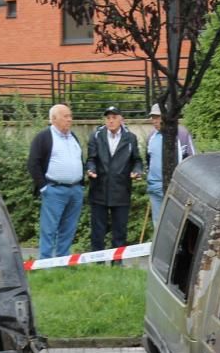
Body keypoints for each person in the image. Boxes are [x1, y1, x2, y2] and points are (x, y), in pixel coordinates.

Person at [86, 106, 143, 259]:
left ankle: (117, 263)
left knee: (120, 231)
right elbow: (91, 159)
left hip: (121, 190)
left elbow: (137, 160)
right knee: (98, 231)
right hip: (99, 189)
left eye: (114, 117)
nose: (110, 121)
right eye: (108, 118)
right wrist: (90, 169)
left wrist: (137, 171)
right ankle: (97, 263)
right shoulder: (97, 136)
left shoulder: (130, 138)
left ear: (121, 119)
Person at [28, 104, 84, 259]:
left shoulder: (73, 137)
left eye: (70, 116)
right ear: (53, 119)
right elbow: (33, 163)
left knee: (69, 228)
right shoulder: (44, 137)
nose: (69, 119)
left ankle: (62, 260)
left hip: (75, 190)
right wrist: (44, 187)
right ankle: (45, 262)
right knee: (49, 228)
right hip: (54, 190)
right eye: (65, 116)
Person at [146, 103, 196, 227]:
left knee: (174, 225)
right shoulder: (151, 136)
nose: (154, 121)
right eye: (153, 117)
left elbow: (192, 160)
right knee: (157, 224)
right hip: (155, 187)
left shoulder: (181, 133)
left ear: (166, 117)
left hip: (174, 187)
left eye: (157, 117)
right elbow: (148, 159)